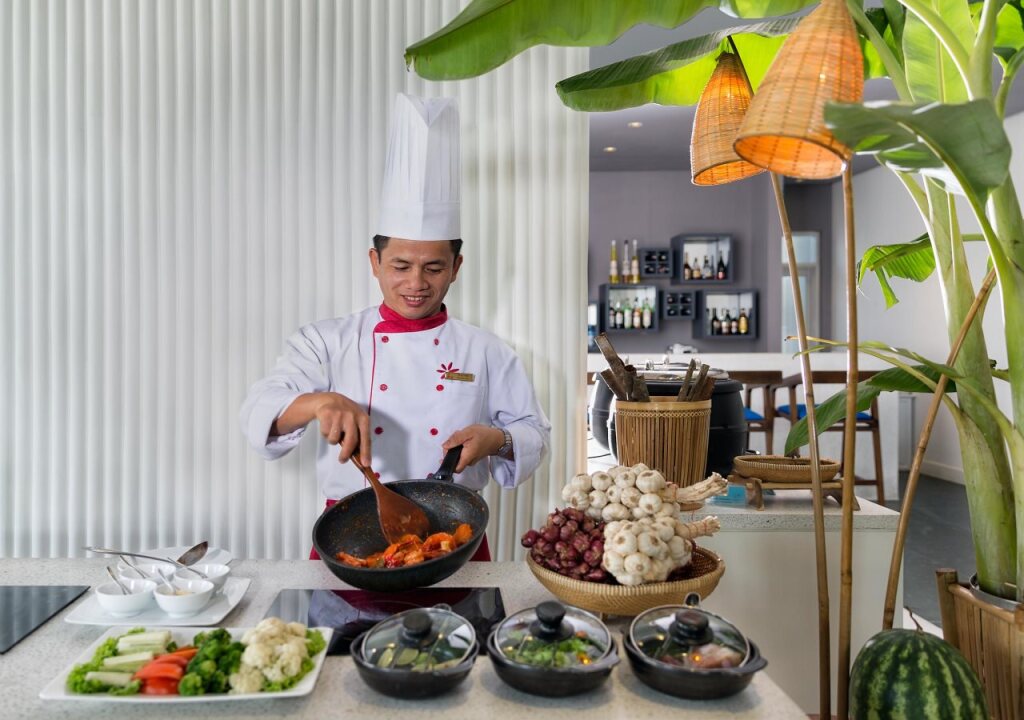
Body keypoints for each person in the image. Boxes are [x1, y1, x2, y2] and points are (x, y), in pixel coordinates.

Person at [239, 93, 551, 560]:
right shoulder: (326, 341)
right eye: (400, 266)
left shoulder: (486, 350)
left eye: (434, 267)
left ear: (456, 267)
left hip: (456, 539)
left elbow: (535, 434)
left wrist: (497, 439)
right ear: (375, 262)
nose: (416, 284)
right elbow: (259, 410)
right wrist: (320, 402)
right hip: (351, 534)